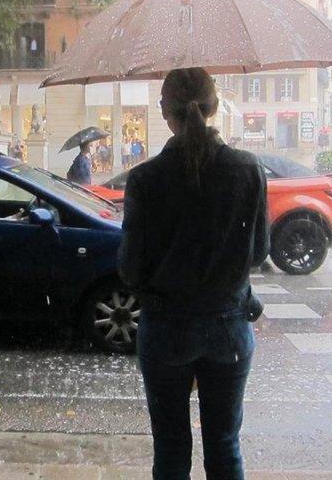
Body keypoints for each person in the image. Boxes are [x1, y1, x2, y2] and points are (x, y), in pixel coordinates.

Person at [119, 67, 269, 480]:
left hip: (166, 329)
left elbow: (131, 270)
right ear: (215, 107)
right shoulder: (247, 169)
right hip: (229, 328)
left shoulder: (146, 179)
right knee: (224, 445)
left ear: (166, 113)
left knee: (170, 449)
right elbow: (258, 252)